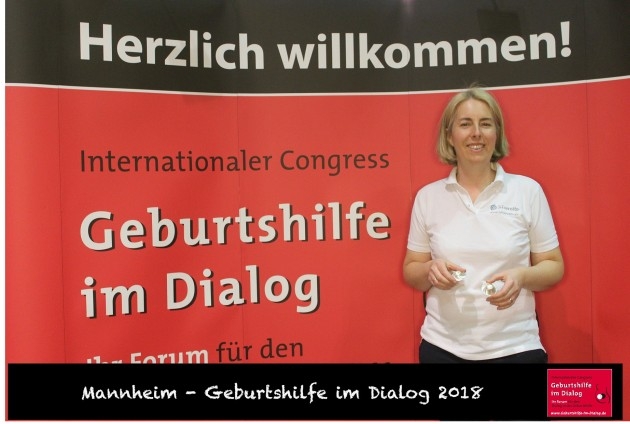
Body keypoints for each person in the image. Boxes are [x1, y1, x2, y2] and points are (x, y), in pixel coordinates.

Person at [403, 85, 564, 363]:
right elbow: (411, 270)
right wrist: (430, 270)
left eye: (486, 124)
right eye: (465, 124)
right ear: (449, 136)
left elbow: (553, 266)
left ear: (496, 133)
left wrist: (521, 277)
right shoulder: (428, 197)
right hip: (442, 349)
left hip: (516, 347)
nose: (476, 133)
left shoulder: (527, 191)